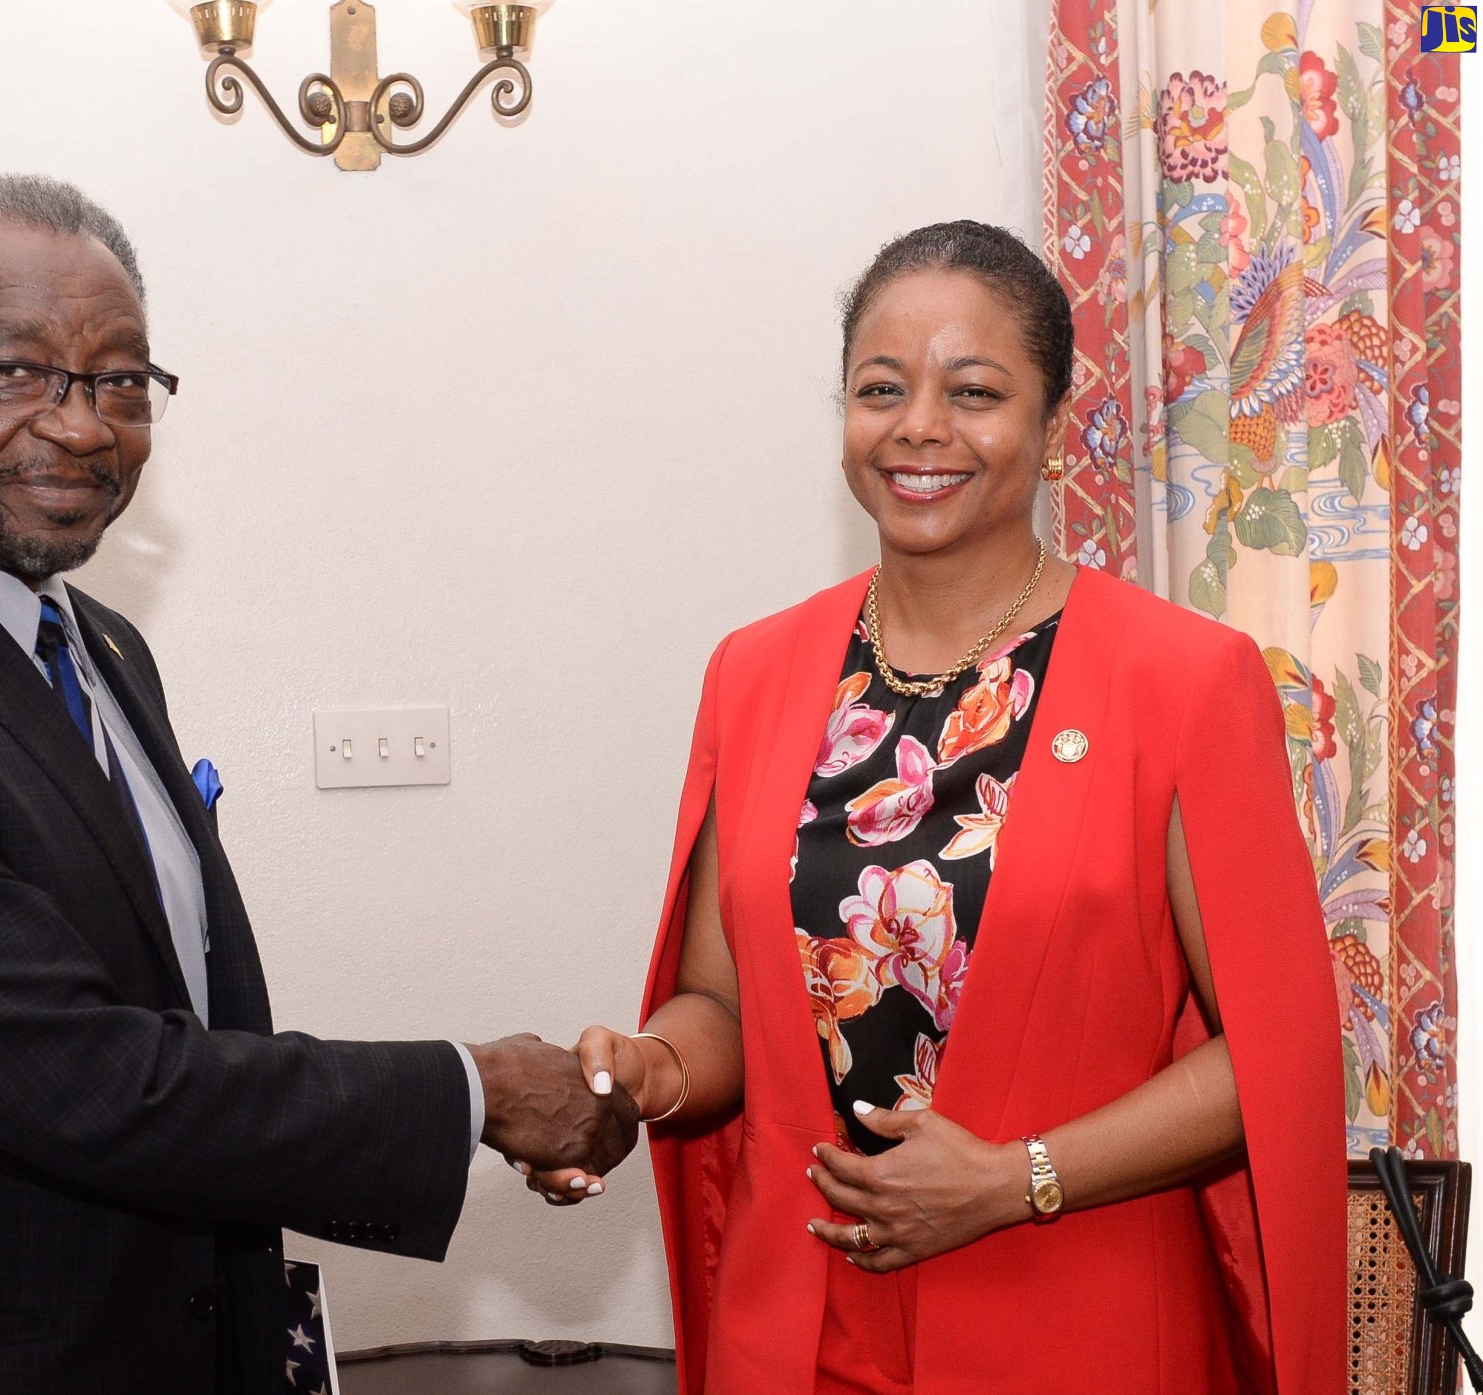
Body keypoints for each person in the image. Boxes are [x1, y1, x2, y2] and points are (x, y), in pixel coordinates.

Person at [0, 174, 636, 1395]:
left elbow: (177, 1029)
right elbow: (83, 1078)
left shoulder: (98, 645)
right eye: (13, 372)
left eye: (119, 381)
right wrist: (473, 1091)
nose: (81, 425)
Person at [521, 222, 1344, 1394]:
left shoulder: (1183, 680)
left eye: (973, 392)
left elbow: (1273, 1046)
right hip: (799, 1327)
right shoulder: (752, 673)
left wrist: (1020, 1177)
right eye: (878, 389)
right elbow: (720, 1001)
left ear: (1051, 428)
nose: (918, 427)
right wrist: (644, 1070)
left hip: (1075, 1319)